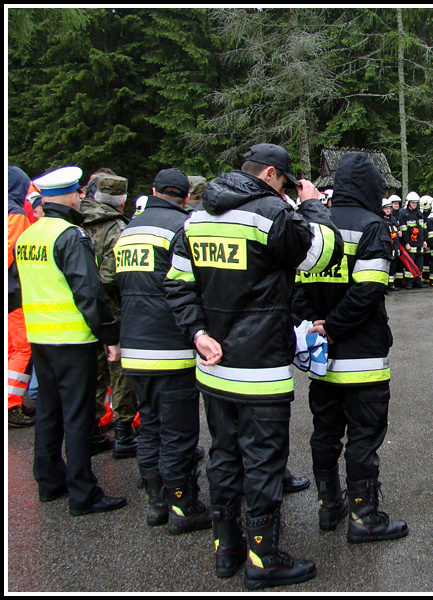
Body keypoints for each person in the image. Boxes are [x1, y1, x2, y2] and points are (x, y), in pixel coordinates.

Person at [165, 143, 342, 589]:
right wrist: (313, 206)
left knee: (225, 456)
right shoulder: (271, 214)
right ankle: (264, 559)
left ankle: (227, 551)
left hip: (213, 365)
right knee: (263, 460)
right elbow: (322, 255)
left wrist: (197, 334)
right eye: (283, 181)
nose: (284, 188)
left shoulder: (197, 216)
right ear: (269, 174)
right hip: (260, 367)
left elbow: (178, 284)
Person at [292, 151, 409, 545]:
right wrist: (336, 327)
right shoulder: (372, 226)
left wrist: (316, 327)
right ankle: (364, 515)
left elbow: (296, 288)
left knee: (325, 432)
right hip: (362, 355)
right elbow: (369, 289)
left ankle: (330, 507)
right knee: (363, 436)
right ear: (370, 187)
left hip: (321, 356)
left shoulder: (312, 223)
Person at [15, 165, 127, 515]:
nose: (82, 197)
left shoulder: (29, 237)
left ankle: (49, 481)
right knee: (78, 416)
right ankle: (84, 492)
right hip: (72, 339)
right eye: (78, 193)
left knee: (49, 411)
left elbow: (19, 288)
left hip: (40, 338)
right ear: (65, 196)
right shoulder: (69, 236)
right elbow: (89, 293)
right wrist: (109, 336)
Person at [114, 168, 211, 533]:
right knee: (179, 431)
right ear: (186, 197)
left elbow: (113, 283)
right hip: (170, 343)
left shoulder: (128, 230)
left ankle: (156, 502)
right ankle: (183, 505)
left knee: (150, 425)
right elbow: (194, 285)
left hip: (133, 343)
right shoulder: (182, 228)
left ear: (153, 191)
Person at [79, 174, 139, 458]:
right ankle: (124, 432)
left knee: (93, 372)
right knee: (120, 372)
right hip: (111, 310)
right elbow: (111, 275)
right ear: (122, 200)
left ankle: (90, 431)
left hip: (79, 311)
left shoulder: (76, 221)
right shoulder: (117, 228)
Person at [8, 166, 36, 427]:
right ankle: (11, 404)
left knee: (10, 347)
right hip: (14, 291)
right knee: (23, 346)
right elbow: (17, 252)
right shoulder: (14, 212)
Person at [399, 191, 427, 289]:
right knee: (410, 264)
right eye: (413, 202)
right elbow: (404, 231)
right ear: (409, 202)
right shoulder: (404, 214)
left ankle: (418, 281)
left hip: (419, 244)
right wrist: (406, 243)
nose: (414, 204)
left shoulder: (419, 214)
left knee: (419, 264)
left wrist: (424, 241)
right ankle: (409, 282)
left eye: (416, 203)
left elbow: (423, 229)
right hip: (410, 244)